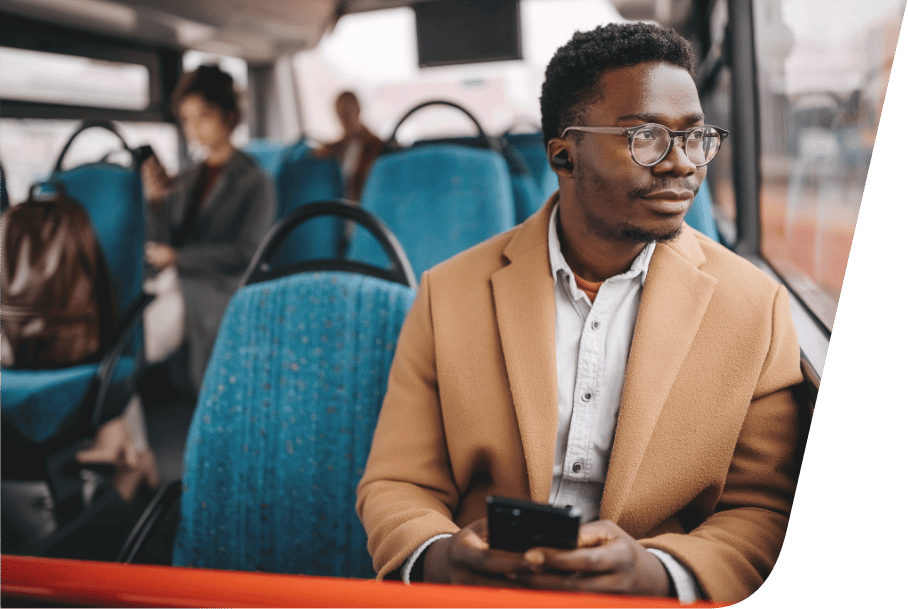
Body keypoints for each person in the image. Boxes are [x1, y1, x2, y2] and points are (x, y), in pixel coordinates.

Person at [356, 23, 804, 604]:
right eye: (645, 137)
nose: (680, 165)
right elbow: (398, 482)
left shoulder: (756, 307)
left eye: (695, 138)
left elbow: (763, 507)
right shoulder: (448, 294)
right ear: (564, 155)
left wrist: (659, 572)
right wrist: (444, 558)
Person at [142, 64, 276, 394]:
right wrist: (155, 204)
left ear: (229, 116)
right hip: (180, 278)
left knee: (143, 336)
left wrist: (177, 258)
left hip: (222, 284)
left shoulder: (256, 181)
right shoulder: (185, 178)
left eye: (203, 117)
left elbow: (247, 252)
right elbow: (164, 239)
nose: (194, 129)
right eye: (186, 120)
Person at [314, 90, 384, 202]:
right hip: (341, 209)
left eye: (347, 113)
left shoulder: (378, 146)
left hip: (366, 208)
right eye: (340, 114)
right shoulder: (334, 149)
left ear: (358, 110)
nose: (343, 119)